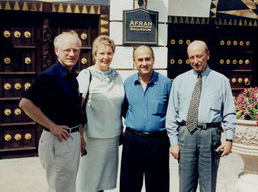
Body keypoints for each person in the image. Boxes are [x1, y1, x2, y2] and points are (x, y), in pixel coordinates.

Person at [166, 40, 237, 192]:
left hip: (210, 136)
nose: (195, 61)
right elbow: (171, 113)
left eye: (199, 56)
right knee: (185, 186)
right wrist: (173, 142)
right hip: (186, 135)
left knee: (208, 185)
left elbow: (229, 112)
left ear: (208, 55)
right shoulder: (179, 81)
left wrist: (229, 139)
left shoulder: (221, 81)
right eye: (191, 57)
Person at [19, 30, 83, 192]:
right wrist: (52, 125)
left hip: (71, 139)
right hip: (59, 140)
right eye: (67, 50)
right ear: (56, 51)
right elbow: (25, 103)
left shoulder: (71, 76)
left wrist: (80, 136)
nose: (72, 54)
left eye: (75, 50)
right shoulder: (49, 77)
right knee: (60, 188)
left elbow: (75, 110)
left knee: (65, 187)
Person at [120, 45, 172, 192]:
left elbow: (173, 112)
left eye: (147, 59)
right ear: (134, 62)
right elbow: (124, 109)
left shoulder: (166, 84)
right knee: (129, 185)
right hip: (132, 141)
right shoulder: (127, 84)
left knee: (158, 186)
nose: (144, 63)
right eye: (140, 59)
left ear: (153, 60)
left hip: (158, 142)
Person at [76, 35, 124, 192]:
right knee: (88, 183)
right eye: (102, 53)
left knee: (102, 182)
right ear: (94, 54)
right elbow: (77, 108)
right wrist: (80, 136)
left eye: (109, 53)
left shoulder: (116, 75)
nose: (106, 57)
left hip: (112, 138)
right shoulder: (86, 75)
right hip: (92, 138)